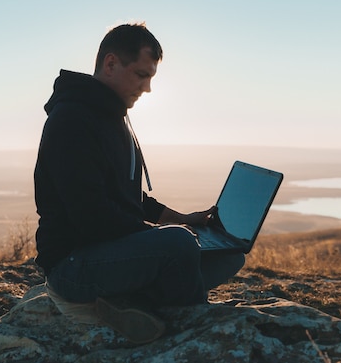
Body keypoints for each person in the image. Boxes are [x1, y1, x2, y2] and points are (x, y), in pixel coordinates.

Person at [33, 23, 245, 344]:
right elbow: (92, 218)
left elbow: (130, 195)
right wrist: (164, 238)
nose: (147, 89)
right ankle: (185, 318)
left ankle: (130, 305)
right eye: (141, 75)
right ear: (111, 64)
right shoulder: (72, 121)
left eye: (151, 78)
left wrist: (182, 220)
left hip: (106, 252)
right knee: (181, 246)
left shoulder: (110, 116)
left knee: (230, 254)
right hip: (73, 266)